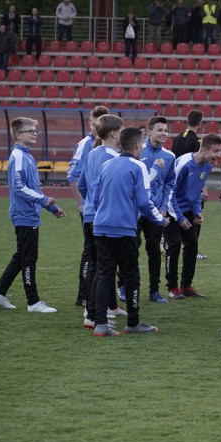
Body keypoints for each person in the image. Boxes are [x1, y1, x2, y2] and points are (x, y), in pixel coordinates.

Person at [88, 126, 166, 337]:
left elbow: (95, 199)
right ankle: (133, 322)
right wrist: (160, 219)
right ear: (138, 145)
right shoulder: (138, 166)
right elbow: (144, 201)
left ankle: (101, 324)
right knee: (131, 274)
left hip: (101, 227)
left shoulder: (106, 164)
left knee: (105, 273)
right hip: (123, 230)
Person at [0, 117, 66, 313]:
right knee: (28, 258)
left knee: (21, 256)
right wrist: (42, 201)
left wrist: (51, 207)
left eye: (35, 131)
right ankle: (33, 302)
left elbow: (33, 187)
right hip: (24, 214)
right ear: (17, 135)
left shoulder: (28, 156)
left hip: (29, 213)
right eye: (29, 130)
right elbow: (18, 187)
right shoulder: (19, 156)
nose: (34, 133)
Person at [77, 114, 126, 327]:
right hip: (103, 217)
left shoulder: (92, 153)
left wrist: (89, 203)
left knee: (97, 265)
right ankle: (95, 314)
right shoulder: (113, 158)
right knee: (103, 267)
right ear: (114, 133)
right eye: (122, 130)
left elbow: (82, 185)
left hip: (89, 214)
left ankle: (93, 311)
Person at [165, 133, 221, 299]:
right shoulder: (184, 163)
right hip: (171, 210)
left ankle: (186, 286)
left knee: (192, 245)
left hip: (187, 211)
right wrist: (180, 217)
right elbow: (170, 192)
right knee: (174, 246)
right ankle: (172, 288)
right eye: (215, 151)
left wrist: (197, 210)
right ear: (204, 150)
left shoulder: (207, 165)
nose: (218, 155)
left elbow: (198, 190)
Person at [68, 105, 110, 308]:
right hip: (91, 209)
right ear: (90, 123)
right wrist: (81, 202)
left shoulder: (104, 146)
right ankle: (84, 294)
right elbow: (73, 175)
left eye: (101, 123)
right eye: (95, 123)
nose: (97, 126)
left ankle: (102, 298)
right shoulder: (85, 144)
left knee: (100, 253)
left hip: (101, 208)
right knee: (90, 252)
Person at [137, 116, 175, 304]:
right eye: (159, 130)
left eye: (166, 130)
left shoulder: (169, 156)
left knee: (154, 252)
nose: (163, 133)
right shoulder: (137, 151)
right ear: (149, 132)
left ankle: (154, 291)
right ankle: (125, 287)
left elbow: (169, 185)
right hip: (135, 211)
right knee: (130, 251)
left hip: (155, 212)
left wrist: (162, 208)